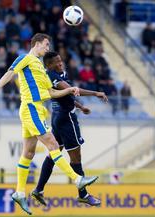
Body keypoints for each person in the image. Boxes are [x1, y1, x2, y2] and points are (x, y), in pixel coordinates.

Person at [0, 33, 99, 215]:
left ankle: (20, 192)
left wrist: (69, 89)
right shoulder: (26, 58)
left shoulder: (41, 69)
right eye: (45, 44)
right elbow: (10, 72)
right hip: (30, 108)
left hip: (37, 110)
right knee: (53, 145)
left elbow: (52, 93)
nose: (47, 48)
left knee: (28, 152)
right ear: (36, 44)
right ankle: (77, 180)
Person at [31, 51, 107, 207]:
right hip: (66, 120)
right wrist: (96, 93)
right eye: (56, 62)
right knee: (76, 157)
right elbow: (71, 90)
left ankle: (38, 189)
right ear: (48, 65)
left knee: (53, 154)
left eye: (60, 61)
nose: (60, 63)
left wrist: (80, 106)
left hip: (58, 118)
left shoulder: (58, 73)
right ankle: (83, 194)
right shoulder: (52, 76)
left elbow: (66, 96)